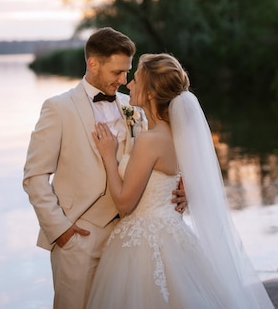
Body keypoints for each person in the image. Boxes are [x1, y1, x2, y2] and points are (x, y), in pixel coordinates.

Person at [87, 53, 275, 308]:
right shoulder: (177, 134)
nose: (129, 83)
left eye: (137, 79)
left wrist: (109, 157)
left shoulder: (150, 140)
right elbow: (190, 175)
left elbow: (123, 203)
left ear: (151, 93)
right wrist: (189, 192)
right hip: (174, 234)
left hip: (143, 242)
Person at [22, 28, 187, 309]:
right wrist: (60, 230)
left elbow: (159, 160)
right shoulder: (58, 108)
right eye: (117, 72)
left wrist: (183, 189)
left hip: (129, 240)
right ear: (93, 64)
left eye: (127, 72)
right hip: (78, 240)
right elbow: (34, 176)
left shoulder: (134, 108)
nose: (124, 80)